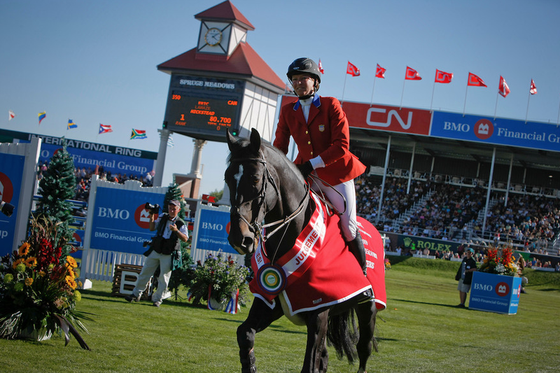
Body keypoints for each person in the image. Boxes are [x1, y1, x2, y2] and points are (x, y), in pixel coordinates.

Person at [273, 57, 368, 275]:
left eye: (302, 79)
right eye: (294, 79)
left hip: (337, 175)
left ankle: (363, 278)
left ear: (315, 82)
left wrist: (311, 165)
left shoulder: (331, 105)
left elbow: (342, 146)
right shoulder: (288, 110)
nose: (297, 83)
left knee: (348, 226)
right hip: (306, 174)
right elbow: (280, 147)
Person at [125, 199, 188, 307]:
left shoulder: (180, 223)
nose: (172, 210)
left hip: (168, 252)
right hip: (157, 248)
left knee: (164, 278)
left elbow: (185, 239)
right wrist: (151, 216)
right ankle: (135, 294)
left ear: (178, 210)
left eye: (174, 209)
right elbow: (151, 228)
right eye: (170, 208)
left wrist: (176, 231)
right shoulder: (163, 216)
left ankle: (158, 299)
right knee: (145, 272)